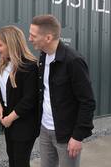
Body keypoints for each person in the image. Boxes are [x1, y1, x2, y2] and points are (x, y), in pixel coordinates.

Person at [29, 14, 96, 167]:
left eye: (33, 35)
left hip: (67, 135)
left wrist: (77, 137)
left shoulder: (74, 61)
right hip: (45, 130)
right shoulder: (43, 56)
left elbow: (88, 102)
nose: (29, 38)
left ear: (48, 37)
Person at [0, 26, 40, 167]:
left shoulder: (29, 66)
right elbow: (2, 90)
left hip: (24, 123)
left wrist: (10, 118)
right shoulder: (3, 63)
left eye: (0, 44)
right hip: (8, 121)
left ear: (11, 44)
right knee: (12, 160)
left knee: (20, 162)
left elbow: (29, 99)